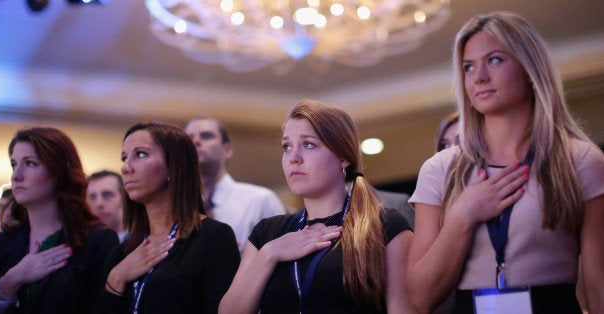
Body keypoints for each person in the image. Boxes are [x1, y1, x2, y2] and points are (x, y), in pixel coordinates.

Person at [407, 11, 603, 314]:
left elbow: (598, 287)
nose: (479, 76)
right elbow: (420, 298)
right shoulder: (440, 169)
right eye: (468, 67)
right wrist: (462, 216)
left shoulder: (580, 160)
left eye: (494, 60)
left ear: (528, 67)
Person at [220, 99, 415, 313]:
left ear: (343, 157)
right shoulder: (267, 233)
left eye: (308, 144)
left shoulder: (385, 225)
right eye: (287, 146)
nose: (294, 158)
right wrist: (270, 253)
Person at [97, 122, 240, 314]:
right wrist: (116, 278)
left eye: (140, 154)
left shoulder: (213, 237)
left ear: (174, 166)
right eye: (124, 158)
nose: (126, 168)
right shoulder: (123, 251)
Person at [0, 127, 120, 313]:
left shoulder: (97, 241)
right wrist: (11, 279)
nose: (16, 175)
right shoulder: (1, 244)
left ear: (59, 172)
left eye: (30, 163)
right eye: (14, 164)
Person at [185, 116, 286, 253]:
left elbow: (280, 256)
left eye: (206, 136)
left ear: (227, 150)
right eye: (189, 138)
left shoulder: (260, 200)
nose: (195, 141)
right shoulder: (176, 205)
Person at [87, 170, 128, 243]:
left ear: (124, 199)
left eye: (107, 195)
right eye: (92, 197)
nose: (99, 203)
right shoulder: (84, 245)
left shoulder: (144, 240)